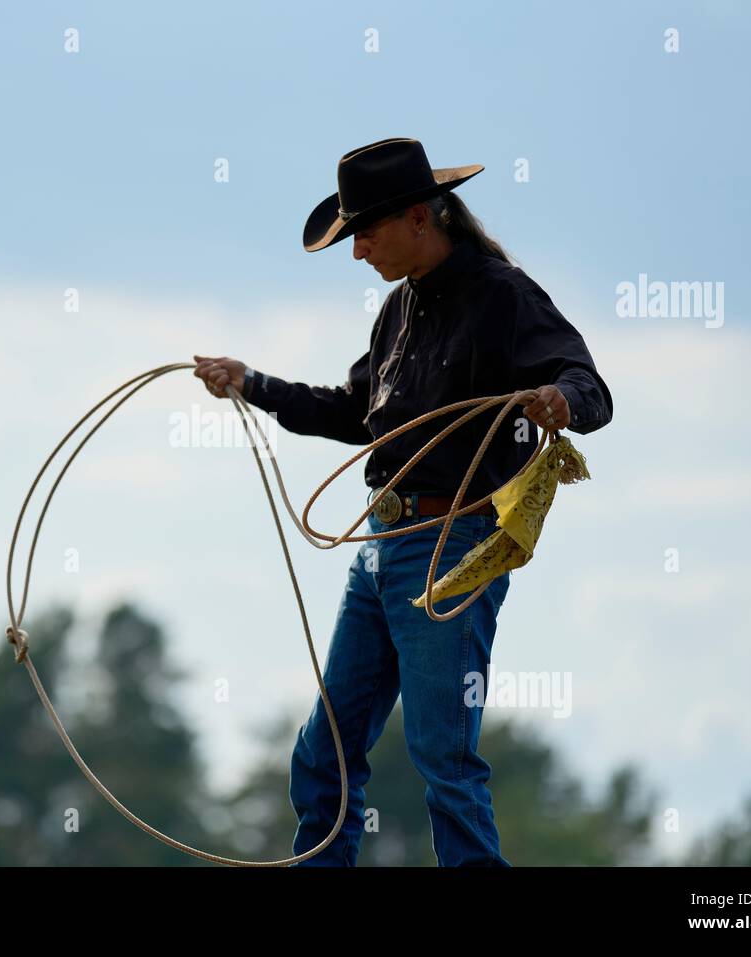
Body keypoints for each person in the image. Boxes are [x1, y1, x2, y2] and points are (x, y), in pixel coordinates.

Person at [193, 137, 614, 866]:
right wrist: (252, 382)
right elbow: (355, 411)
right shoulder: (397, 311)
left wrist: (557, 399)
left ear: (420, 218)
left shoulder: (503, 294)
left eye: (366, 231)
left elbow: (591, 387)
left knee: (442, 756)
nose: (357, 251)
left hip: (454, 544)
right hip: (383, 553)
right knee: (324, 749)